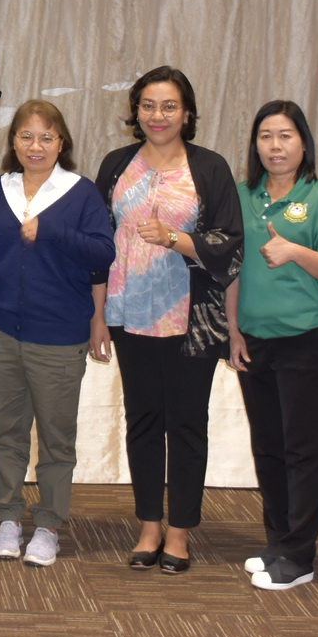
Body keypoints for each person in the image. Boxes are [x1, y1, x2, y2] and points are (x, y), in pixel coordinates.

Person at [92, 66, 243, 574]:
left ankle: (179, 532)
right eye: (149, 105)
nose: (158, 115)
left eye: (169, 106)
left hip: (190, 319)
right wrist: (97, 316)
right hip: (127, 313)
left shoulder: (209, 167)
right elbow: (99, 244)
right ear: (135, 111)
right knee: (141, 420)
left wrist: (176, 239)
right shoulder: (116, 165)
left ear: (187, 113)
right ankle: (149, 526)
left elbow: (230, 244)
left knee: (186, 424)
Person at [0, 99, 113, 567]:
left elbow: (103, 254)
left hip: (59, 335)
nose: (36, 146)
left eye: (47, 137)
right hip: (2, 333)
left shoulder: (81, 193)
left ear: (61, 143)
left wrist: (49, 230)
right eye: (26, 136)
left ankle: (49, 524)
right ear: (13, 142)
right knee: (6, 433)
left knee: (55, 439)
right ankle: (8, 517)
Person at [231, 99, 318, 592]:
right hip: (253, 340)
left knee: (303, 452)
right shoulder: (243, 195)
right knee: (269, 449)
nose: (275, 146)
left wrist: (295, 251)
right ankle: (278, 542)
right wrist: (232, 329)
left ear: (303, 142)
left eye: (285, 136)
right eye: (266, 136)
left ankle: (300, 556)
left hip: (307, 340)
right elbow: (231, 267)